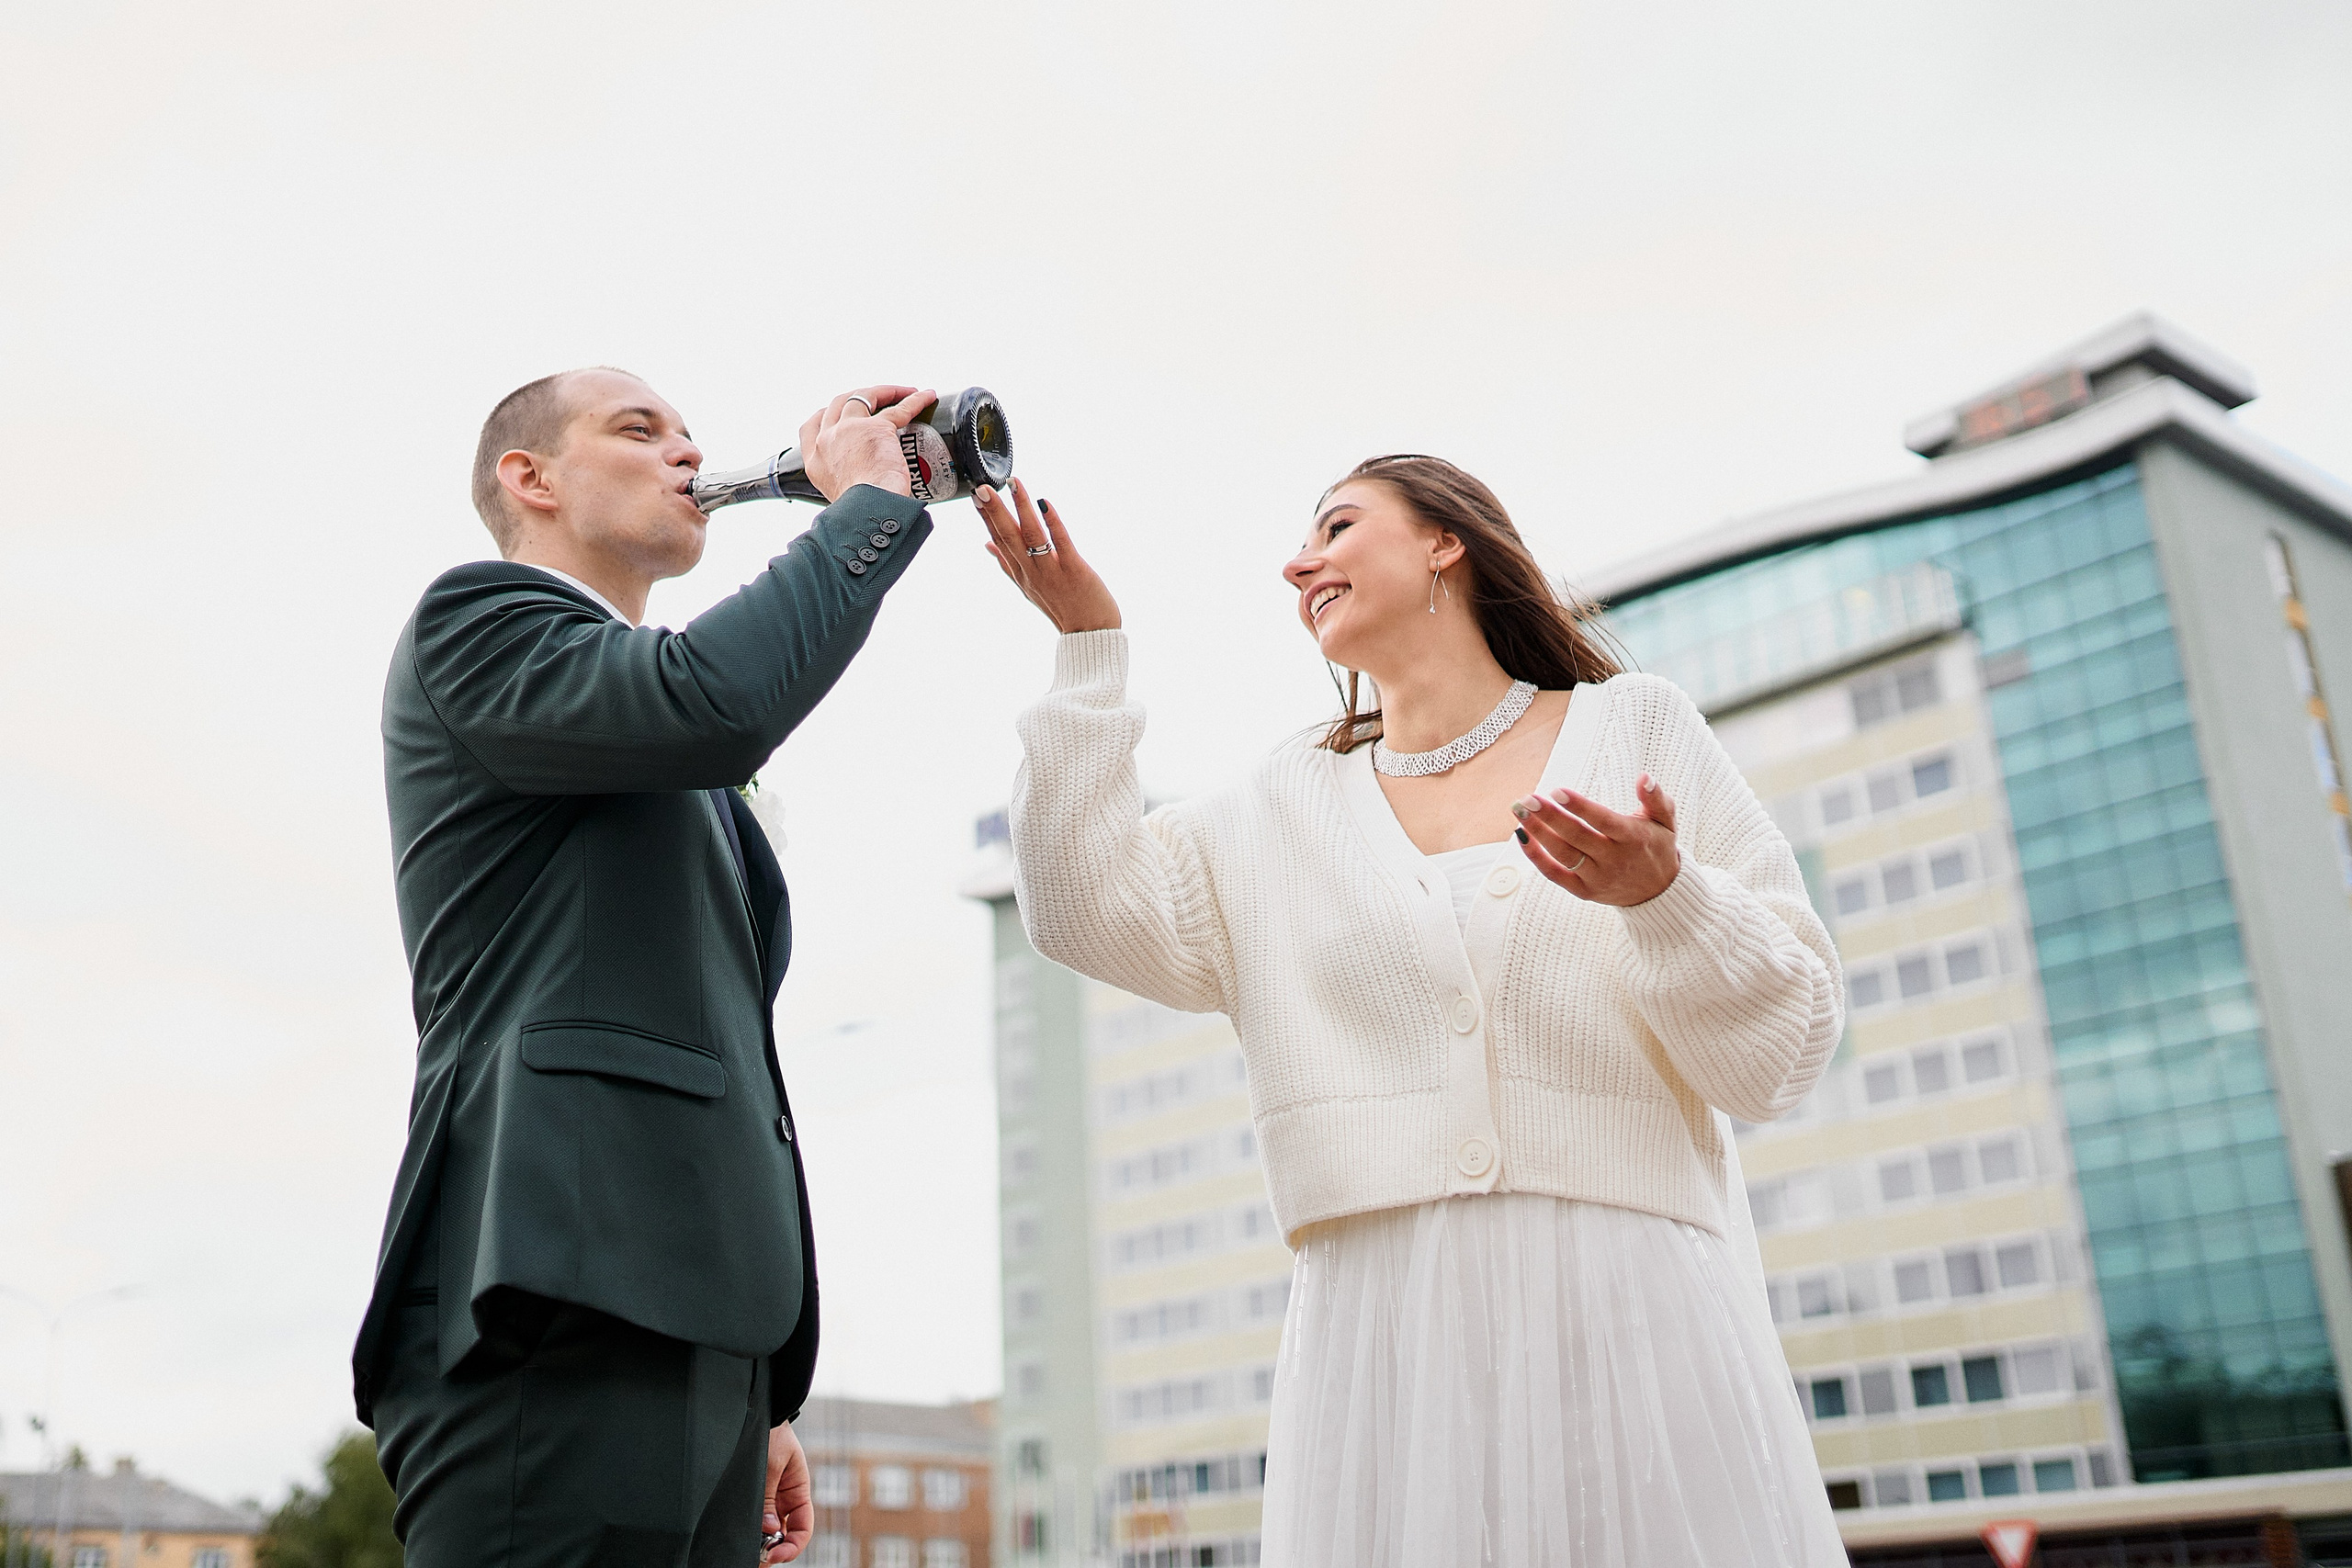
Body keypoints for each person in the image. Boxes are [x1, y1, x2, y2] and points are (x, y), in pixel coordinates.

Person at [978, 457, 1849, 1565]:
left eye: (1336, 528)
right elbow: (1077, 905)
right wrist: (1087, 649)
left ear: (1446, 542)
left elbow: (1781, 1056)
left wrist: (1666, 899)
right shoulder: (1278, 804)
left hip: (1625, 1308)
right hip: (1381, 1338)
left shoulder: (1635, 727)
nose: (1299, 565)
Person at [352, 369, 942, 1567]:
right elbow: (713, 700)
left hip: (697, 1335)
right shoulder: (478, 619)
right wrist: (867, 509)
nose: (687, 454)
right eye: (639, 429)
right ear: (530, 478)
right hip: (550, 1304)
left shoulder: (655, 736)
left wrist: (751, 1384)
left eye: (691, 435)